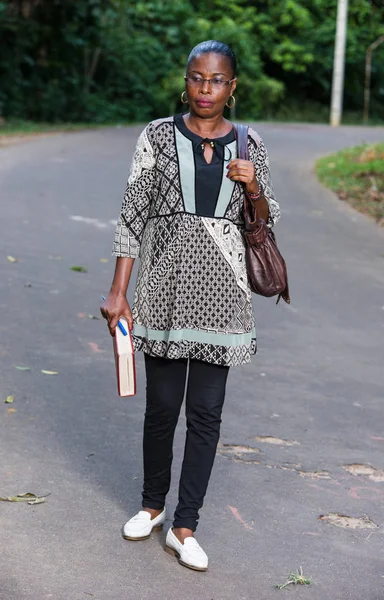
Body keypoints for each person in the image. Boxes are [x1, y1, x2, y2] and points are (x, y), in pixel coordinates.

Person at [100, 39, 281, 572]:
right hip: (164, 287)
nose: (206, 89)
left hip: (224, 295)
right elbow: (132, 214)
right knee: (161, 408)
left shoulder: (249, 143)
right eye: (198, 78)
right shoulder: (156, 135)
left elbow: (267, 221)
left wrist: (254, 189)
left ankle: (186, 525)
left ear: (233, 86)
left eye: (217, 80)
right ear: (186, 80)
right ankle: (152, 504)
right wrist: (118, 290)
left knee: (206, 413)